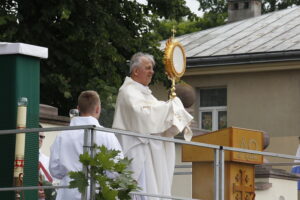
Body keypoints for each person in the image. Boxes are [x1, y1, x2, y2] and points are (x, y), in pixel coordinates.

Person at [112, 52, 193, 199]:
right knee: (143, 190)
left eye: (152, 68)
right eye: (148, 68)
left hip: (152, 152)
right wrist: (170, 107)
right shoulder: (127, 91)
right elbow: (144, 116)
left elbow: (156, 112)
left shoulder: (145, 93)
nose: (152, 72)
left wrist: (172, 111)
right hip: (138, 151)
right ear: (136, 71)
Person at [49, 90, 123, 200]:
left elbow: (54, 169)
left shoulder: (63, 135)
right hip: (98, 191)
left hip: (69, 192)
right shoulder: (108, 136)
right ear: (98, 109)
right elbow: (117, 169)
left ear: (78, 109)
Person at [38, 130, 55, 200]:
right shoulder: (22, 158)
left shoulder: (48, 160)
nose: (39, 139)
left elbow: (54, 181)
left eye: (41, 137)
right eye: (37, 136)